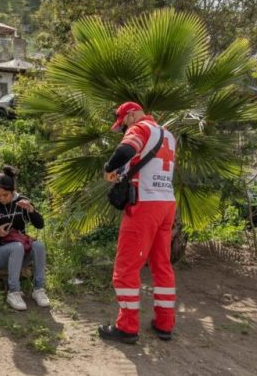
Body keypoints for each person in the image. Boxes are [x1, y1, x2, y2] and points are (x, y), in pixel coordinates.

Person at [98, 102, 177, 344]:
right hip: (167, 204)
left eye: (123, 124)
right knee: (162, 265)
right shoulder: (168, 135)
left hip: (144, 205)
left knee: (126, 267)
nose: (124, 129)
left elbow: (124, 152)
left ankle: (127, 327)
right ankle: (165, 324)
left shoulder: (140, 129)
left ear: (131, 114)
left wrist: (109, 169)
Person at [0, 165, 49, 311]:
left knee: (39, 246)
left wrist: (31, 210)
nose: (2, 198)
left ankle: (39, 290)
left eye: (5, 195)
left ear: (13, 191)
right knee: (17, 246)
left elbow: (40, 225)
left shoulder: (22, 202)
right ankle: (14, 292)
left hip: (20, 253)